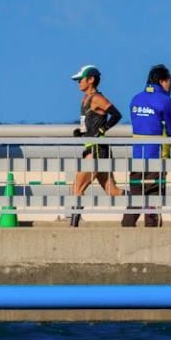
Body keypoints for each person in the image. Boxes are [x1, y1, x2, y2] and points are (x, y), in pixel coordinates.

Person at [122, 64, 171, 227]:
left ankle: (125, 233)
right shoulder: (164, 101)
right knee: (153, 203)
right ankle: (152, 236)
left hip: (137, 158)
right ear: (163, 81)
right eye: (170, 82)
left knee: (135, 201)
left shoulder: (136, 99)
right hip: (156, 159)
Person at [68, 64, 123, 227]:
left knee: (77, 187)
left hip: (97, 149)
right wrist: (81, 132)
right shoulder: (85, 99)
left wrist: (102, 129)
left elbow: (116, 115)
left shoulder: (97, 98)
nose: (78, 83)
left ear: (90, 80)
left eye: (80, 79)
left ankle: (73, 226)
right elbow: (90, 123)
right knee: (112, 192)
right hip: (91, 147)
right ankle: (140, 201)